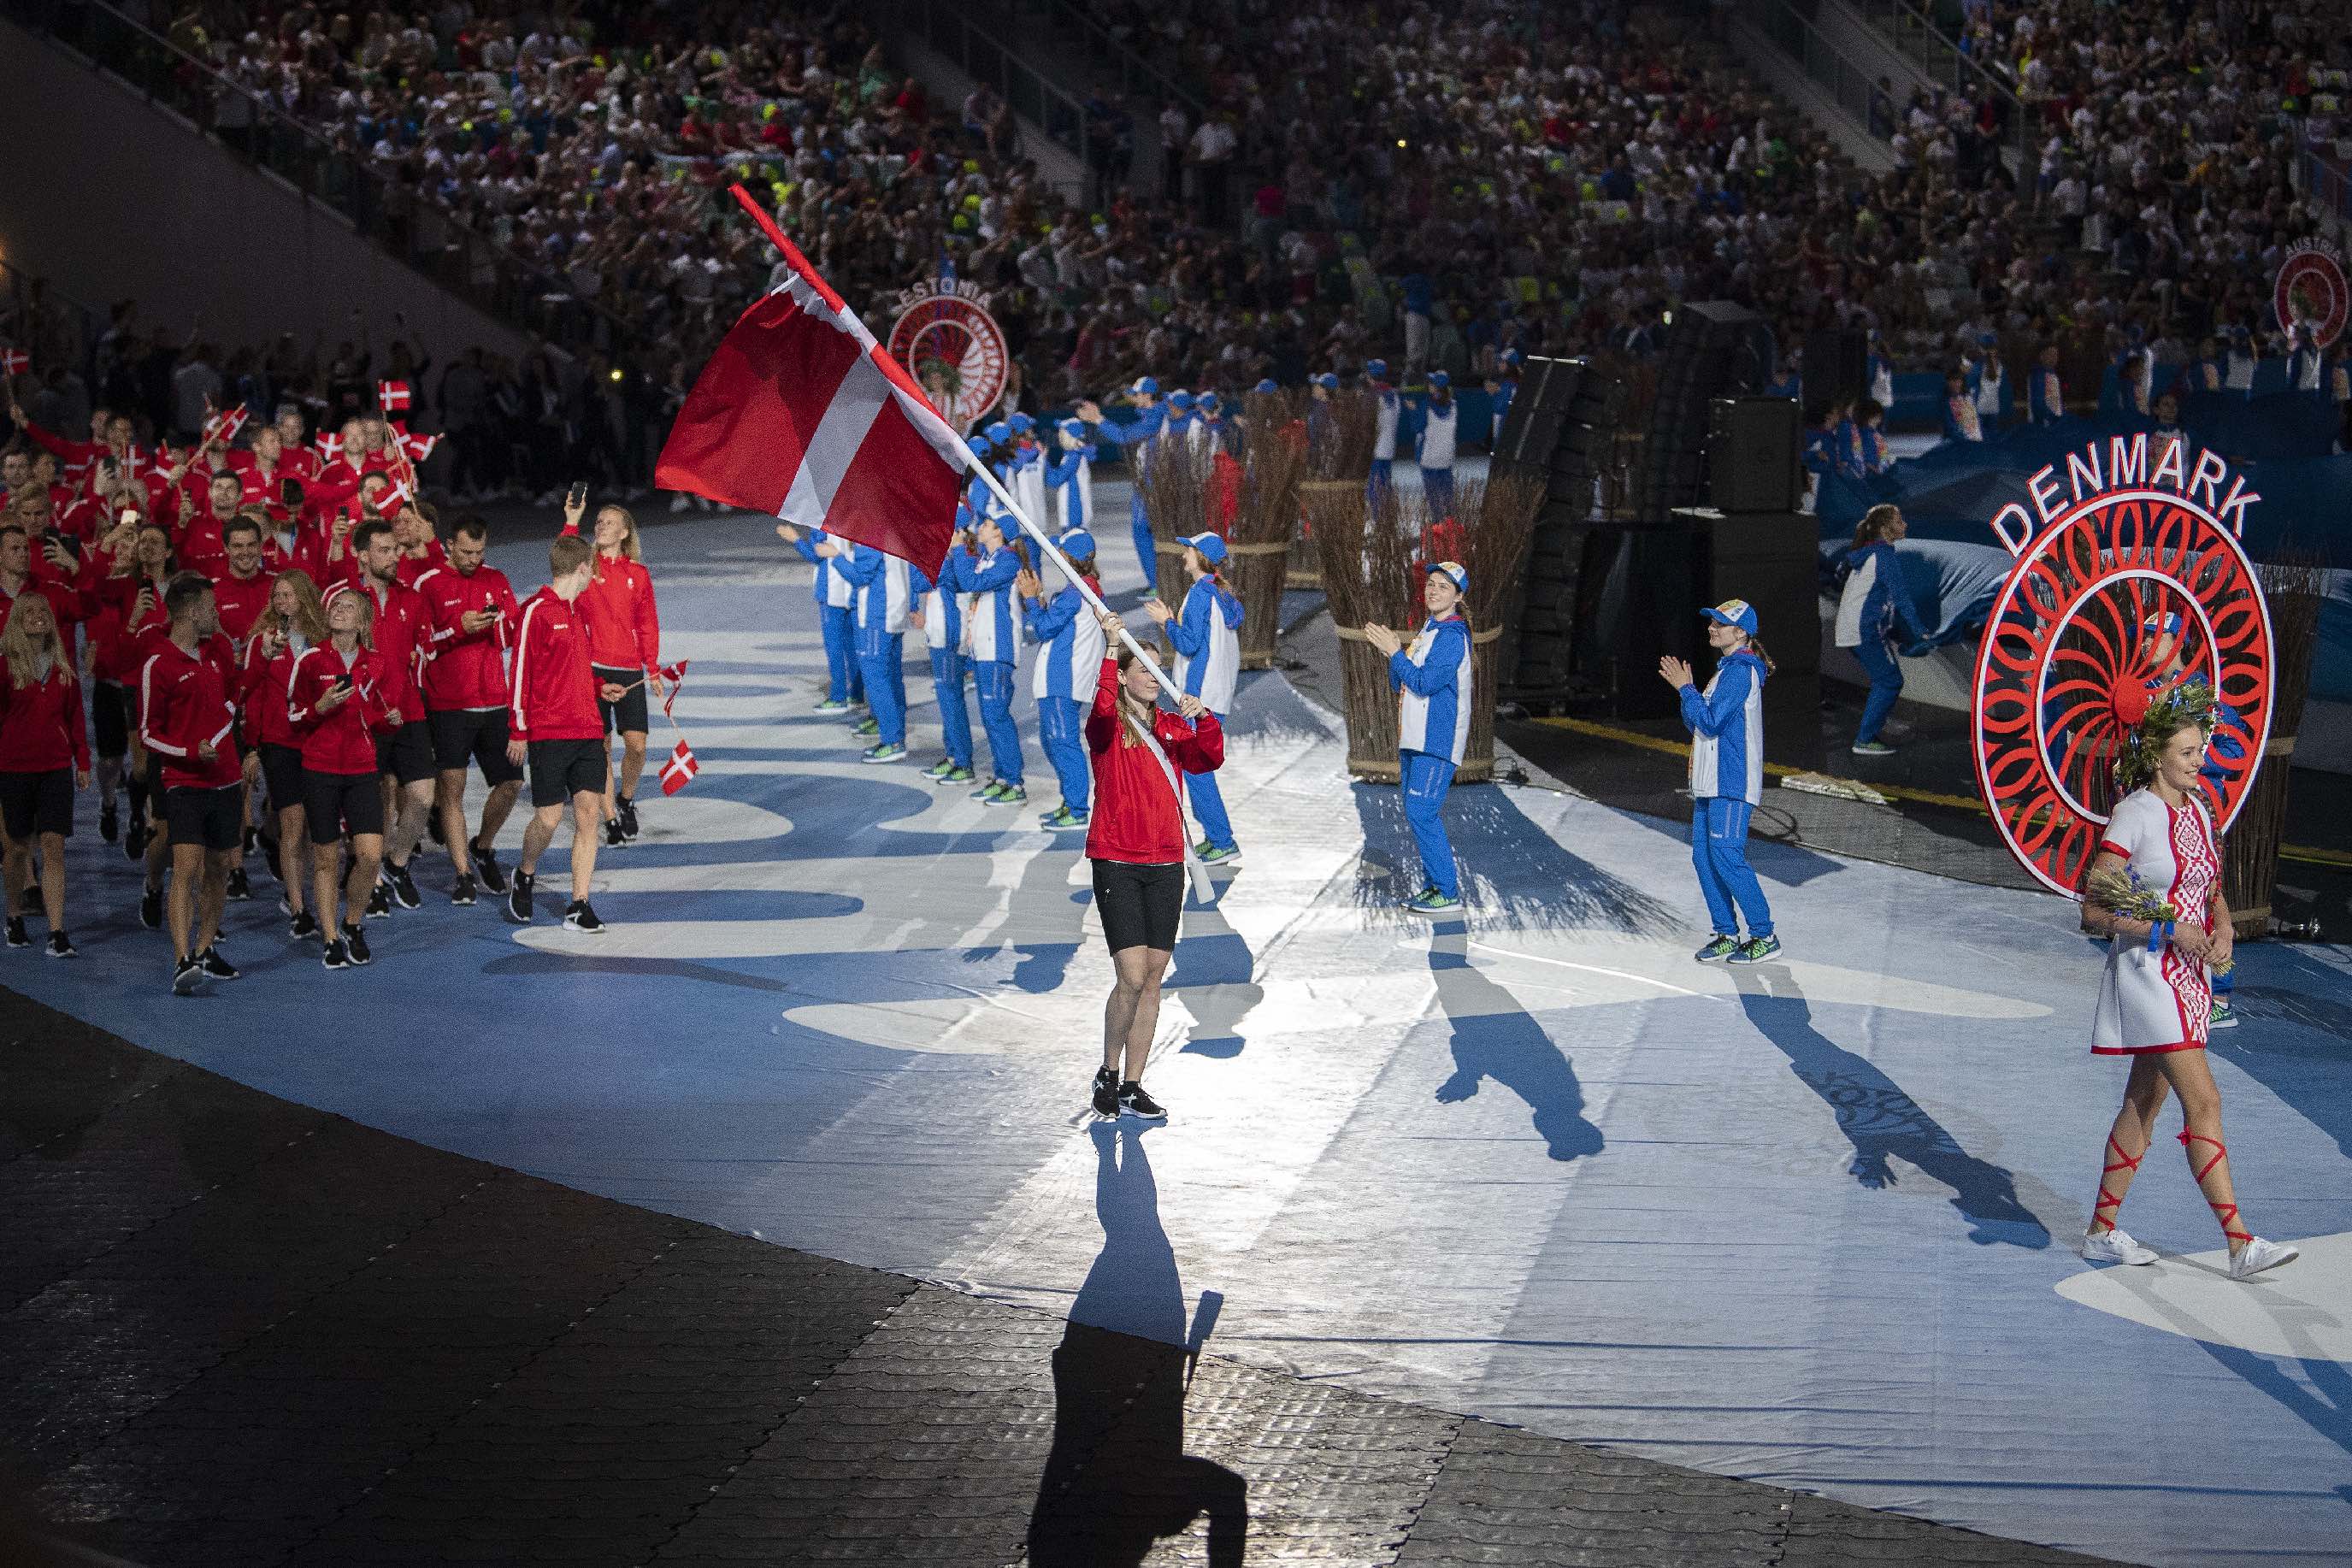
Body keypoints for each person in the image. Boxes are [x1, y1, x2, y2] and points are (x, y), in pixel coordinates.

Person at [2076, 686, 2297, 1281]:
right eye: (2186, 751)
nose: (2198, 760)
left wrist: (2220, 925)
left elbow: (2209, 886)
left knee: (2143, 1103)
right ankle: (2238, 1241)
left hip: (2190, 974)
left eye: (2200, 750)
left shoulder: (2200, 811)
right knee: (2205, 1100)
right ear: (2156, 757)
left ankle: (2101, 1232)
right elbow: (2092, 911)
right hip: (2148, 973)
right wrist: (2166, 929)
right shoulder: (2134, 815)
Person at [1082, 610, 1223, 1122]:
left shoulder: (1168, 728)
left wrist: (1203, 718)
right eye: (1143, 668)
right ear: (1124, 676)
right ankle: (1108, 1070)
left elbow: (1209, 758)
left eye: (1157, 669)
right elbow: (1100, 709)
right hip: (1117, 858)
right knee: (1131, 972)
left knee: (1156, 975)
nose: (1154, 678)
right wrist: (1109, 645)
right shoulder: (1107, 728)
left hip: (1166, 862)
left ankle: (1133, 1084)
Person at [139, 571, 245, 995]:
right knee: (186, 867)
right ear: (189, 610)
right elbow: (148, 731)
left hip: (227, 778)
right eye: (210, 606)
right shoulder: (158, 663)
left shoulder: (218, 649)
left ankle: (204, 949)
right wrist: (188, 752)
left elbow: (236, 694)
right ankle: (181, 958)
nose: (217, 613)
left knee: (220, 867)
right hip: (183, 779)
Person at [416, 515, 525, 904]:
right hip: (449, 704)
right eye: (465, 552)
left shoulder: (495, 578)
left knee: (511, 784)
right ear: (448, 545)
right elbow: (422, 643)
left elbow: (513, 633)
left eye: (479, 552)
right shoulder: (428, 584)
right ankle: (463, 873)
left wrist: (494, 625)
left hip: (494, 698)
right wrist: (458, 627)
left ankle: (483, 845)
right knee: (452, 790)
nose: (473, 559)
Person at [1663, 600, 1779, 963]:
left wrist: (1685, 689)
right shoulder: (1724, 671)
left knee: (1727, 856)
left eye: (1720, 623)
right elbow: (1698, 723)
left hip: (1730, 780)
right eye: (1712, 622)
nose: (1712, 628)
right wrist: (1688, 691)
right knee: (1704, 858)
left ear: (1741, 632)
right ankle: (1726, 932)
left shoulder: (1741, 671)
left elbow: (1710, 721)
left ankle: (1764, 935)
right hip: (1710, 781)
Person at [287, 586, 398, 967]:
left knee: (369, 856)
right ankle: (331, 937)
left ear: (363, 620)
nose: (339, 611)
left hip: (362, 769)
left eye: (348, 607)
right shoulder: (311, 659)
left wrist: (387, 721)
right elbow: (293, 715)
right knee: (325, 858)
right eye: (336, 606)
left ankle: (353, 923)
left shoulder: (376, 663)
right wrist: (317, 708)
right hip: (319, 769)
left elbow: (372, 712)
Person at [505, 533, 608, 930]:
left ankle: (578, 903)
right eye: (590, 572)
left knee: (588, 817)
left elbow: (575, 672)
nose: (591, 579)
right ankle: (526, 872)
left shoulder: (580, 614)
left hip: (588, 731)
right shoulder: (536, 611)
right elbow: (519, 673)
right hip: (549, 733)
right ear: (582, 568)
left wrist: (601, 688)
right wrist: (518, 729)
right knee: (547, 820)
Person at [333, 521, 433, 912]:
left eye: (396, 550)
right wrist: (373, 707)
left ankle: (396, 863)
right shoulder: (344, 601)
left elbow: (423, 651)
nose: (395, 556)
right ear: (362, 556)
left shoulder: (413, 598)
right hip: (365, 719)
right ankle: (370, 877)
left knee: (423, 797)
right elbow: (338, 661)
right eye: (385, 551)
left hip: (409, 711)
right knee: (371, 803)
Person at [1364, 561, 1471, 914]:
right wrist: (1393, 656)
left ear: (1458, 596)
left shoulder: (1453, 636)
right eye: (1431, 584)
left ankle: (1447, 891)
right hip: (1414, 737)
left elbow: (1424, 683)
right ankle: (1433, 886)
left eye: (1443, 586)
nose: (1433, 590)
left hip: (1436, 740)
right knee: (1416, 812)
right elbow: (1402, 681)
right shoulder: (1429, 630)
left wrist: (1395, 653)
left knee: (1422, 812)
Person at [560, 496, 663, 841]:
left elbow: (647, 622)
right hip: (592, 668)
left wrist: (653, 665)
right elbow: (563, 559)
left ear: (624, 531)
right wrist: (572, 521)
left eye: (608, 521)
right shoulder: (585, 566)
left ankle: (626, 799)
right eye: (598, 521)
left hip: (630, 668)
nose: (601, 525)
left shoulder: (638, 574)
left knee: (637, 746)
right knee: (600, 747)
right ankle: (610, 818)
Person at [0, 592, 90, 956]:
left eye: (43, 611)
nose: (38, 617)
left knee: (54, 848)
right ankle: (14, 916)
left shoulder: (63, 668)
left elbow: (76, 719)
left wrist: (82, 761)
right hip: (14, 768)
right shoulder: (4, 666)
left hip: (55, 768)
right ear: (17, 620)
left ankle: (56, 930)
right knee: (17, 849)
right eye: (30, 612)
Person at [1145, 533, 1243, 864]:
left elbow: (1188, 644)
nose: (1184, 554)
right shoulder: (1220, 593)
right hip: (1215, 695)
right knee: (1196, 767)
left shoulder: (1202, 593)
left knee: (1197, 770)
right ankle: (1216, 837)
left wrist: (1167, 623)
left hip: (1200, 698)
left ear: (1200, 556)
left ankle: (1221, 839)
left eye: (1188, 549)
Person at [242, 569, 327, 936]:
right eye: (278, 596)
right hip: (279, 743)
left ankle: (303, 893)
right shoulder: (261, 643)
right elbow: (250, 696)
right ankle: (297, 907)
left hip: (316, 742)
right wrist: (252, 748)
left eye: (289, 596)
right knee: (293, 827)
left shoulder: (322, 640)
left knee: (312, 827)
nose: (282, 602)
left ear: (305, 598)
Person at [1021, 533, 1106, 827]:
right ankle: (1071, 800)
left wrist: (1032, 600)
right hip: (1064, 679)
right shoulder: (1086, 590)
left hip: (1063, 680)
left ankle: (1077, 808)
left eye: (1059, 551)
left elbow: (1044, 628)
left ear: (1067, 558)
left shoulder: (1075, 594)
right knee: (1052, 740)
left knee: (1062, 742)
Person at [1835, 504, 1931, 756]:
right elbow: (1901, 597)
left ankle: (1879, 722)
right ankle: (1865, 739)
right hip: (1865, 630)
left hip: (1853, 627)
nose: (1905, 525)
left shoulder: (1867, 553)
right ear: (1886, 528)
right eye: (1900, 521)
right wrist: (1921, 631)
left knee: (1884, 679)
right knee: (1890, 681)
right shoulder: (1884, 556)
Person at [951, 514, 1028, 804]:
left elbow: (971, 581)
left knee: (996, 715)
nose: (978, 527)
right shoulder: (987, 558)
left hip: (999, 649)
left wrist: (959, 549)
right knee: (988, 716)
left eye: (986, 524)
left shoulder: (1007, 561)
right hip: (983, 649)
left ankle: (1014, 782)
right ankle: (1001, 776)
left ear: (999, 532)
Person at [829, 535, 913, 764]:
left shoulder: (873, 538)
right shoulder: (895, 532)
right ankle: (896, 732)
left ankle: (893, 740)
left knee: (877, 679)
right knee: (892, 678)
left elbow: (859, 576)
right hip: (894, 613)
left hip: (877, 615)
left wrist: (835, 557)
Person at [908, 511, 977, 784]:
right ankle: (953, 756)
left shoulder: (955, 561)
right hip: (939, 632)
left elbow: (920, 580)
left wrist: (921, 550)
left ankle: (963, 762)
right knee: (947, 699)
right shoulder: (951, 558)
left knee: (951, 699)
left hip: (949, 635)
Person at [777, 522, 863, 710]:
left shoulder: (824, 522)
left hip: (831, 592)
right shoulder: (857, 519)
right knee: (851, 646)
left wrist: (796, 539)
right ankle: (856, 694)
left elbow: (816, 557)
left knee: (834, 647)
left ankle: (838, 696)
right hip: (852, 589)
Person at [1416, 371, 1459, 516]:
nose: (1429, 386)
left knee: (1434, 498)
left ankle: (1438, 528)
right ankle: (1451, 527)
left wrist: (1413, 411)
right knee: (1448, 496)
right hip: (1446, 458)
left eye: (1432, 383)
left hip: (1429, 458)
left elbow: (1417, 427)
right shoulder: (1454, 406)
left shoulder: (1426, 405)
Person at [1365, 359, 1400, 497]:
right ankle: (1386, 516)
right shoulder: (1394, 395)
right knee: (1385, 485)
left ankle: (1376, 517)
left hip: (1376, 448)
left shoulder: (1373, 396)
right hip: (1388, 447)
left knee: (1374, 488)